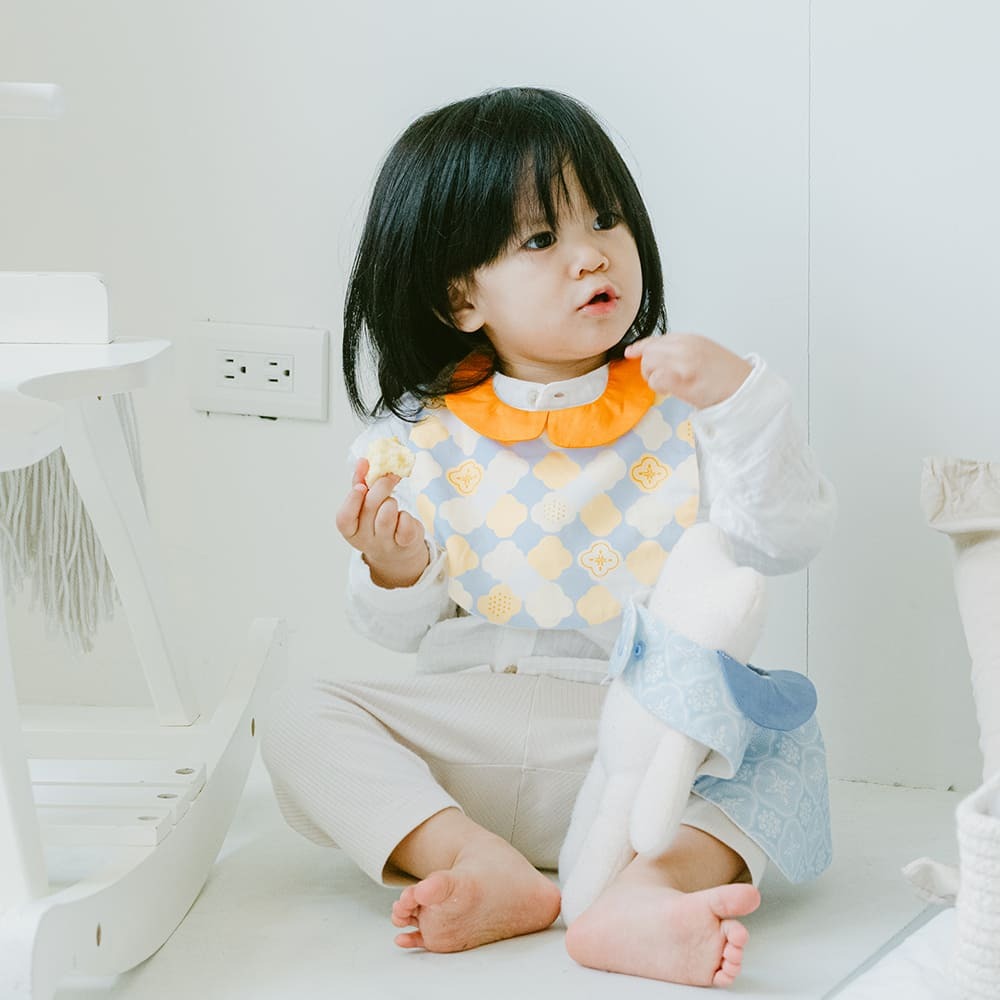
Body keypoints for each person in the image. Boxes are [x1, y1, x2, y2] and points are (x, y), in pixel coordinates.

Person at [261, 86, 836, 988]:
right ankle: (468, 858)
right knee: (298, 712)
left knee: (786, 739)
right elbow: (393, 632)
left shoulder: (685, 408)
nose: (592, 254)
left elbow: (787, 540)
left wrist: (742, 403)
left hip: (640, 748)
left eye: (605, 219)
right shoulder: (420, 437)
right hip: (475, 729)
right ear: (460, 298)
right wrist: (394, 567)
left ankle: (647, 892)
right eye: (541, 240)